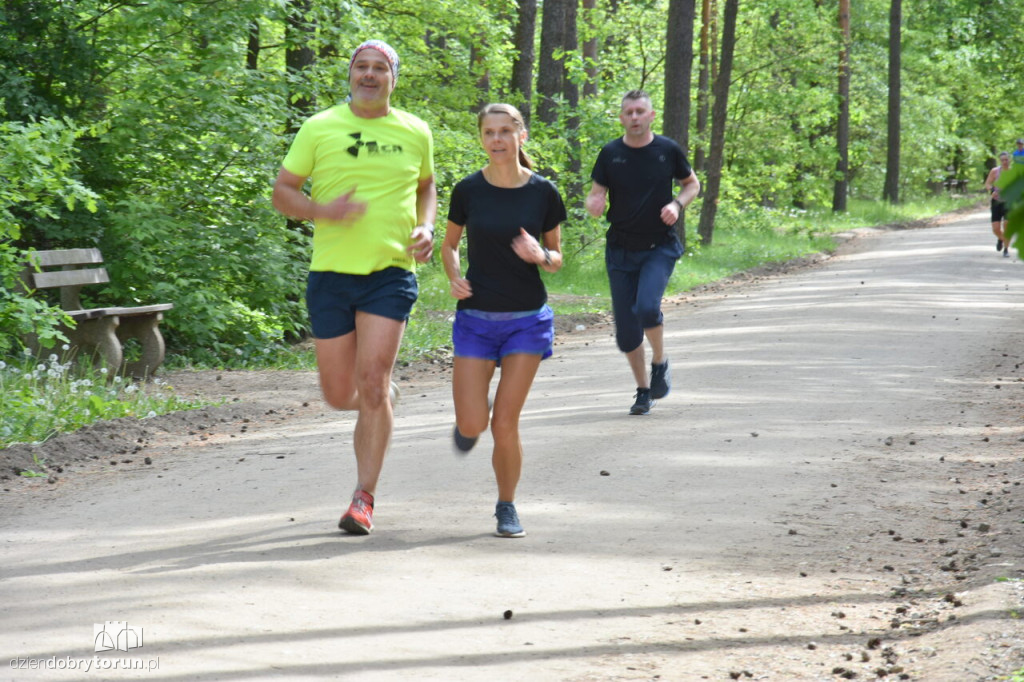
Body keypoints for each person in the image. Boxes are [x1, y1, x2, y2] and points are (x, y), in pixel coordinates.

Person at [271, 40, 436, 535]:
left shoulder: (415, 131)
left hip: (390, 273)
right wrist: (325, 211)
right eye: (361, 67)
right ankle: (381, 398)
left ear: (393, 78)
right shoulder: (319, 127)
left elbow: (426, 185)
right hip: (331, 276)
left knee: (370, 382)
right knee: (339, 393)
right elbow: (283, 192)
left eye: (379, 68)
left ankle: (363, 497)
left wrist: (426, 227)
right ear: (349, 76)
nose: (369, 75)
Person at [441, 103, 565, 538]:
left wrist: (542, 256)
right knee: (474, 424)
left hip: (526, 320)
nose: (496, 140)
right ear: (482, 138)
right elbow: (450, 244)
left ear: (521, 136)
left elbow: (556, 257)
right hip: (476, 318)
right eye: (489, 132)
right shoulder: (468, 190)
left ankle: (507, 506)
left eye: (504, 132)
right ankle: (472, 413)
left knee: (505, 423)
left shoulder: (543, 192)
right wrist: (455, 276)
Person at [584, 90, 700, 415]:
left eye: (640, 111)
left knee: (647, 307)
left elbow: (692, 184)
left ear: (651, 116)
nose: (634, 117)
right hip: (620, 249)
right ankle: (643, 390)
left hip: (658, 246)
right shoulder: (610, 153)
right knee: (626, 334)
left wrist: (677, 205)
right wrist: (594, 203)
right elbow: (596, 193)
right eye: (629, 112)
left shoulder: (667, 150)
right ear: (621, 118)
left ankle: (660, 363)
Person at [984, 151, 1011, 257]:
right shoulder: (995, 171)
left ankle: (1006, 249)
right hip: (997, 202)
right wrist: (992, 191)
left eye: (1006, 159)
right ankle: (1001, 238)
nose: (1005, 162)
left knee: (1007, 226)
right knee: (996, 229)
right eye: (1003, 160)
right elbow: (987, 183)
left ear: (1010, 160)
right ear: (1000, 161)